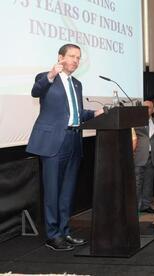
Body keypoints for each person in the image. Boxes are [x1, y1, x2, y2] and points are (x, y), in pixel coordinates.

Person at [26, 43, 102, 251]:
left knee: (67, 192)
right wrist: (51, 74)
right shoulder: (46, 77)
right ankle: (52, 235)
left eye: (78, 57)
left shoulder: (76, 83)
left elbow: (74, 113)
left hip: (74, 140)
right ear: (60, 57)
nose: (76, 61)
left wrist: (94, 114)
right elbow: (35, 91)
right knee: (52, 190)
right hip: (53, 143)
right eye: (72, 56)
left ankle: (65, 232)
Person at [132, 101, 154, 214]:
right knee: (137, 182)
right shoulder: (135, 122)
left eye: (148, 108)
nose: (146, 109)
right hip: (139, 156)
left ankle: (146, 205)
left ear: (153, 109)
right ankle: (135, 207)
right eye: (144, 107)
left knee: (149, 182)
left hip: (153, 156)